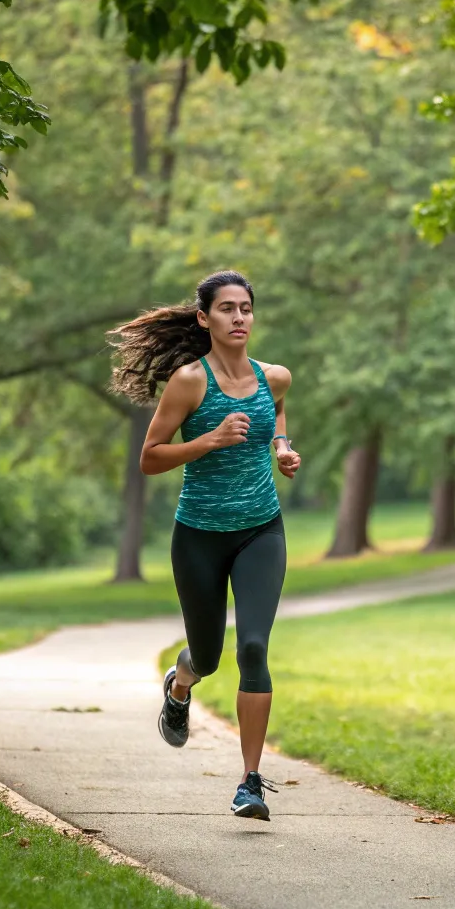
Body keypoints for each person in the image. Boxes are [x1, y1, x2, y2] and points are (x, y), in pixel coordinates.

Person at [109, 270, 301, 821]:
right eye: (226, 309)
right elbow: (150, 457)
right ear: (204, 318)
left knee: (255, 648)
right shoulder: (190, 382)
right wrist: (209, 440)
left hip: (261, 529)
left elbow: (278, 415)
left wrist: (282, 449)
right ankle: (181, 683)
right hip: (198, 535)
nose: (239, 318)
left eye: (246, 308)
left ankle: (250, 783)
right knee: (210, 657)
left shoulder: (276, 377)